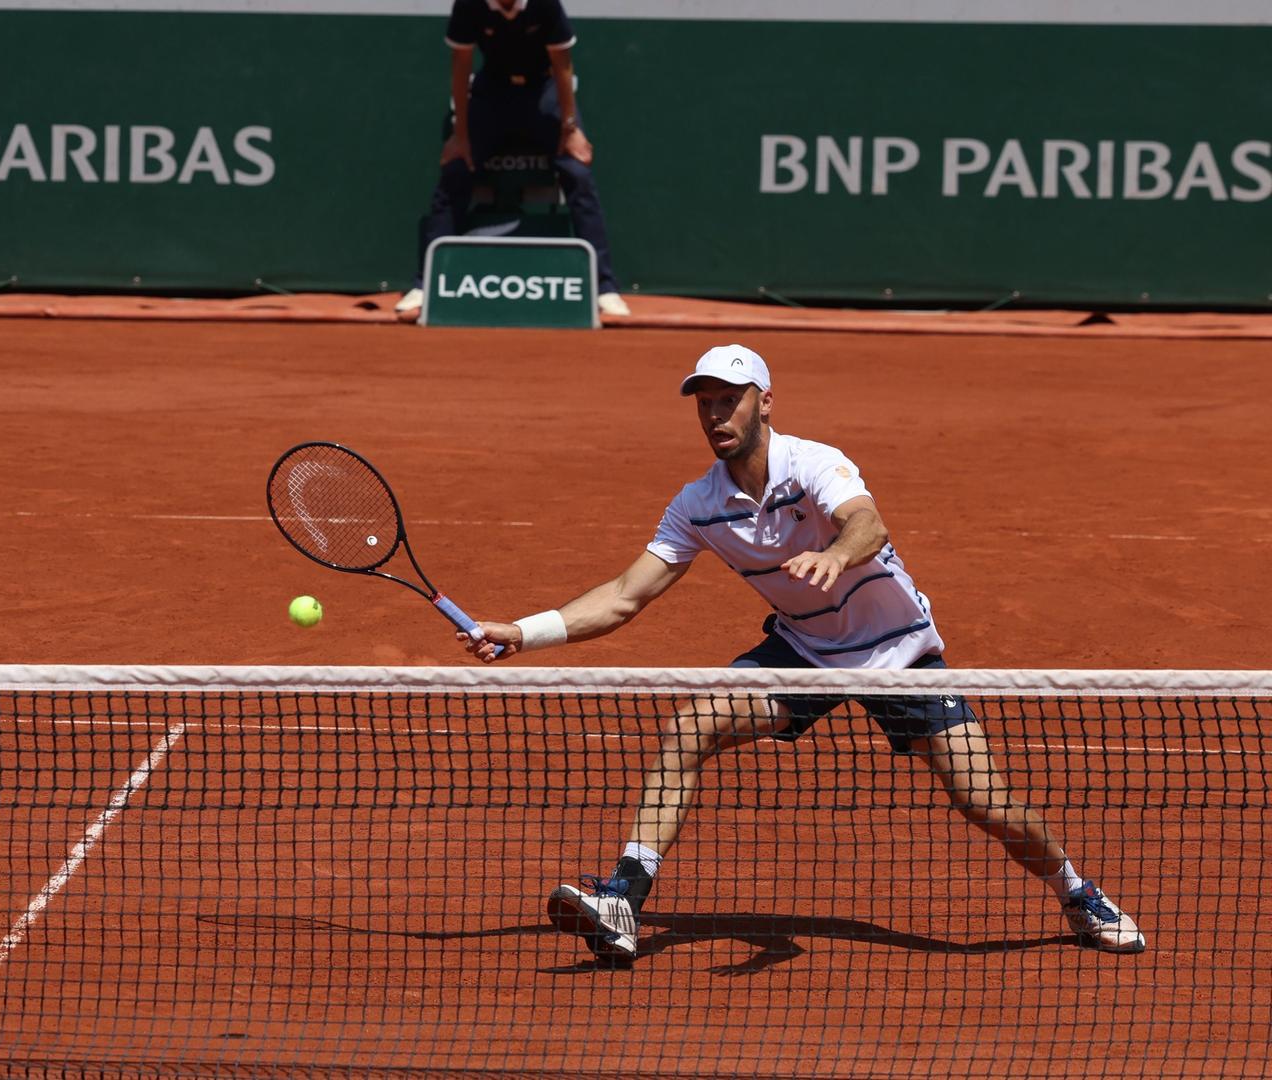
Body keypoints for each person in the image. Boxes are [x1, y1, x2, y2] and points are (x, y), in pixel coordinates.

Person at [459, 344, 1145, 959]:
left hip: (897, 654)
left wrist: (833, 555)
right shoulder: (698, 504)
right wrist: (524, 631)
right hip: (804, 653)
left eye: (730, 400)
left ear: (765, 403)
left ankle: (1077, 891)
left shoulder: (815, 463)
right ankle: (623, 898)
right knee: (693, 725)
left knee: (982, 799)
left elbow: (867, 525)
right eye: (706, 405)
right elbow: (623, 597)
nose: (716, 415)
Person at [395, 0, 629, 321]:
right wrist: (460, 134)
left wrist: (570, 127)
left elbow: (562, 63)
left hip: (543, 93)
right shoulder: (469, 4)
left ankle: (604, 288)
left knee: (577, 173)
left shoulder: (545, 4)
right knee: (456, 170)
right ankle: (426, 284)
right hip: (491, 94)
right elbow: (461, 65)